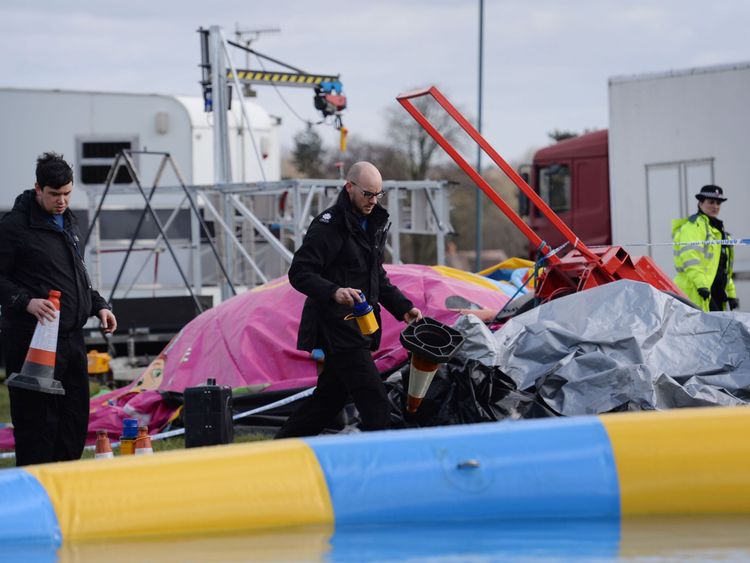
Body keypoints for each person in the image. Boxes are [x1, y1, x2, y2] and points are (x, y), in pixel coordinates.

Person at [275, 161, 422, 438]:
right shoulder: (329, 226)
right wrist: (334, 291)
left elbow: (376, 275)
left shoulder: (374, 222)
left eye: (378, 194)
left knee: (328, 400)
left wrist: (404, 309)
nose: (373, 201)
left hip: (358, 326)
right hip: (337, 327)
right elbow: (299, 272)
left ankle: (277, 450)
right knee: (374, 400)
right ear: (349, 187)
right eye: (368, 194)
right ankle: (384, 461)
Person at [0, 152, 117, 466]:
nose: (62, 200)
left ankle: (68, 489)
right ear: (38, 189)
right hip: (32, 341)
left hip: (72, 340)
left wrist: (98, 306)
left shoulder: (69, 223)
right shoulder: (15, 226)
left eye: (67, 193)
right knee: (39, 425)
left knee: (74, 420)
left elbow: (76, 277)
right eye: (54, 194)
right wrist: (26, 302)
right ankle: (38, 490)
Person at [672, 184, 738, 312]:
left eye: (718, 203)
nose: (715, 206)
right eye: (711, 202)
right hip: (696, 290)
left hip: (716, 292)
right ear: (700, 203)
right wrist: (701, 285)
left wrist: (731, 293)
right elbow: (690, 258)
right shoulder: (693, 226)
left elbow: (723, 268)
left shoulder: (720, 231)